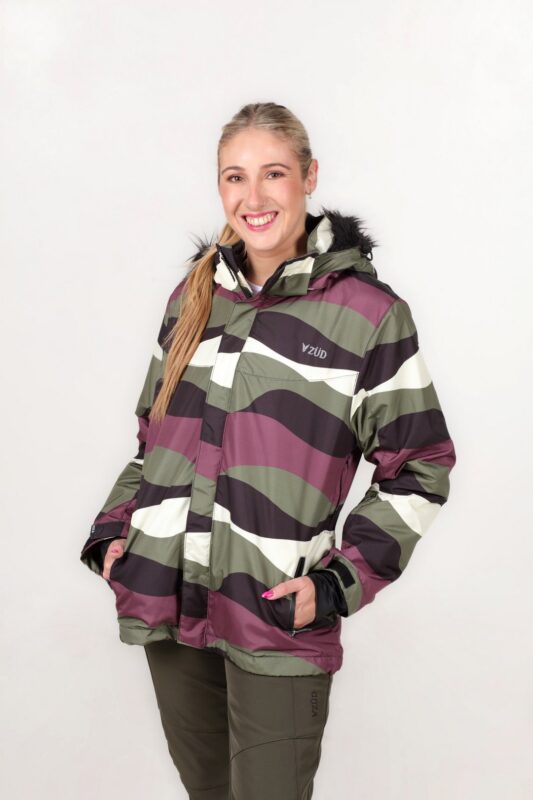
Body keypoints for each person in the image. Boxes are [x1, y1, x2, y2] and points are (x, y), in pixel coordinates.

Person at [80, 101, 456, 800]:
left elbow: (420, 467)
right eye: (235, 177)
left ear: (309, 177)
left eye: (274, 173)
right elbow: (152, 441)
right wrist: (112, 533)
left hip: (274, 613)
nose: (253, 197)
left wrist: (337, 584)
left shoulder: (367, 315)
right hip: (169, 598)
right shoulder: (193, 297)